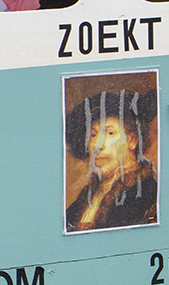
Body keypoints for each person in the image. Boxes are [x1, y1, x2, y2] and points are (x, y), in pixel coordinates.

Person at [65, 89, 158, 231]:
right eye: (93, 135)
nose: (97, 145)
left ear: (132, 140)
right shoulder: (88, 195)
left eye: (110, 133)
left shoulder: (144, 191)